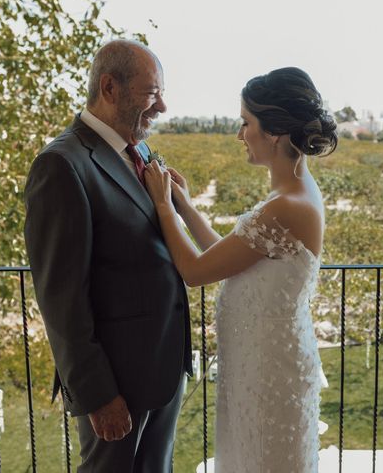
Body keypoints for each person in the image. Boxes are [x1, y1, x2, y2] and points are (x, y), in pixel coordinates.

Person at [144, 67, 337, 472]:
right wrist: (185, 206)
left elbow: (195, 271)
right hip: (258, 364)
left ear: (274, 133)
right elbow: (226, 258)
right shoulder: (292, 195)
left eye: (246, 123)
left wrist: (163, 205)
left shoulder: (286, 206)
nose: (239, 134)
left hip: (269, 372)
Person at [24, 40, 192, 472]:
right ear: (110, 87)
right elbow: (61, 298)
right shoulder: (62, 164)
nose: (163, 106)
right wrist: (98, 394)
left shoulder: (140, 152)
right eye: (152, 94)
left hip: (161, 370)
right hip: (117, 381)